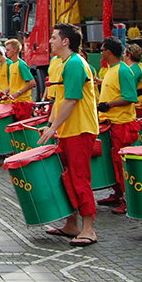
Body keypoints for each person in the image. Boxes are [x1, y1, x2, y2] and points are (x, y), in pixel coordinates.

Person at [39, 23, 99, 247]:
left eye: (54, 37)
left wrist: (53, 127)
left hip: (80, 129)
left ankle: (89, 229)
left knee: (80, 178)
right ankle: (72, 224)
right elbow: (60, 100)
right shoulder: (65, 63)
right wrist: (51, 125)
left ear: (66, 42)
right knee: (68, 178)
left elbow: (72, 100)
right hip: (70, 129)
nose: (50, 41)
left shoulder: (74, 63)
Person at [95, 36, 139, 215]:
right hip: (111, 123)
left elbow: (130, 97)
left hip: (121, 124)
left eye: (102, 49)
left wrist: (109, 105)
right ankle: (118, 192)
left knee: (122, 163)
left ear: (108, 52)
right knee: (112, 161)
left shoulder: (123, 70)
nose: (100, 52)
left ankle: (128, 199)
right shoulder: (111, 70)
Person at [3, 39, 36, 119]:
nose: (6, 52)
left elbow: (32, 83)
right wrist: (5, 92)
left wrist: (18, 93)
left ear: (15, 50)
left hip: (23, 103)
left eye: (8, 50)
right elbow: (14, 83)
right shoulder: (12, 65)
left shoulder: (21, 65)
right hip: (15, 102)